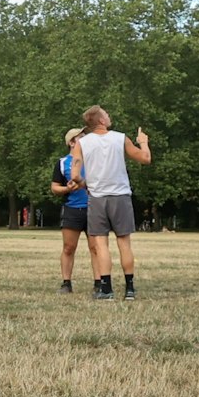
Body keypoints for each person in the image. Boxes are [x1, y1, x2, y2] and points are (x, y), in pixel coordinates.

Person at [68, 106, 151, 301]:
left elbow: (74, 175)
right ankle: (130, 288)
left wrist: (84, 184)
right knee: (124, 243)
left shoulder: (83, 143)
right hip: (120, 196)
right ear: (102, 121)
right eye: (106, 114)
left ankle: (106, 288)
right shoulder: (120, 138)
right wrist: (144, 142)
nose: (109, 115)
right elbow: (145, 158)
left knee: (101, 244)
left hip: (97, 198)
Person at [50, 126, 89, 293]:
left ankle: (99, 283)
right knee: (68, 247)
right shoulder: (62, 163)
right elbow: (54, 188)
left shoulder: (93, 160)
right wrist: (67, 189)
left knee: (96, 247)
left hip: (94, 208)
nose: (86, 139)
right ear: (72, 142)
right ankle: (66, 283)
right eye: (82, 137)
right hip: (72, 209)